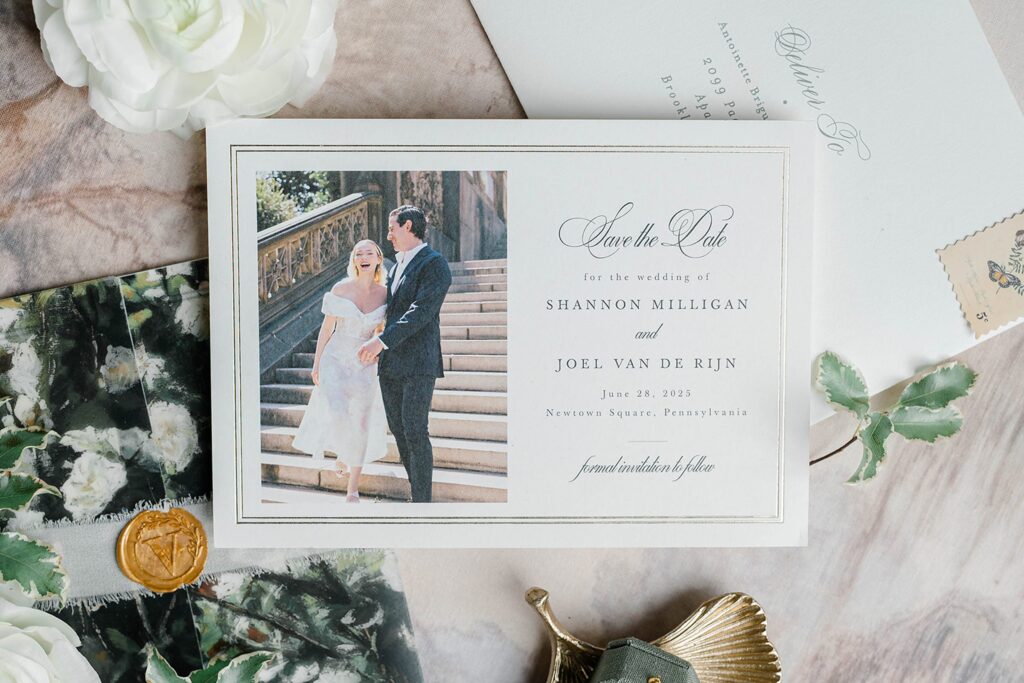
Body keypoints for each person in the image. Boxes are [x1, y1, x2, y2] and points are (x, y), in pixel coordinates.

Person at [358, 205, 453, 502]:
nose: (388, 236)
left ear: (408, 226)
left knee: (414, 430)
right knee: (399, 432)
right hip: (391, 366)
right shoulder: (396, 267)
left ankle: (422, 503)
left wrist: (381, 342)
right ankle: (417, 493)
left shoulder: (435, 263)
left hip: (418, 364)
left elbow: (420, 312)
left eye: (391, 229)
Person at [291, 239, 389, 502]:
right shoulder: (340, 289)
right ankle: (344, 452)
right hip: (334, 358)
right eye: (358, 253)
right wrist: (316, 363)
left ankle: (353, 489)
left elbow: (384, 330)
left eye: (369, 252)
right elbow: (327, 328)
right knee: (337, 411)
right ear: (354, 260)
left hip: (364, 362)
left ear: (378, 258)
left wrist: (378, 349)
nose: (363, 257)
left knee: (362, 422)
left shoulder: (385, 294)